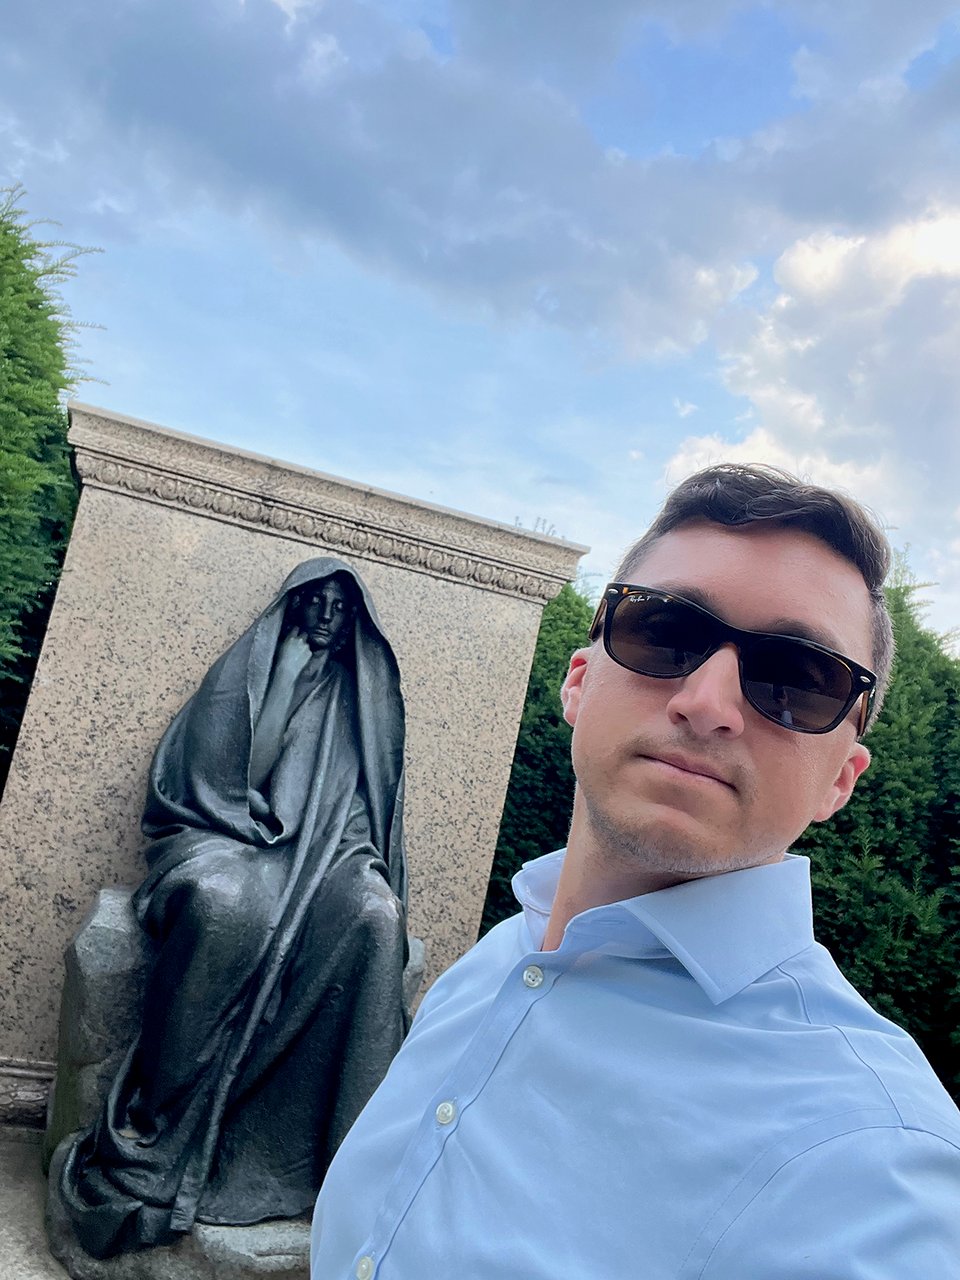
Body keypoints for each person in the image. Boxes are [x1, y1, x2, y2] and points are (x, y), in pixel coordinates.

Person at [311, 466, 960, 1279]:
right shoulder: (495, 964)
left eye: (796, 678)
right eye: (665, 630)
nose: (707, 702)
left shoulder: (873, 1163)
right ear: (579, 682)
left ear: (842, 779)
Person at [61, 557, 408, 1259]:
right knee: (222, 907)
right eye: (317, 602)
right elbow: (223, 781)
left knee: (375, 917)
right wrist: (285, 677)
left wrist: (352, 867)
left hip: (327, 852)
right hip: (225, 835)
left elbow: (368, 814)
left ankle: (328, 1157)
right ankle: (162, 1114)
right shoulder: (241, 677)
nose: (328, 618)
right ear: (292, 605)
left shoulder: (361, 705)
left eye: (342, 608)